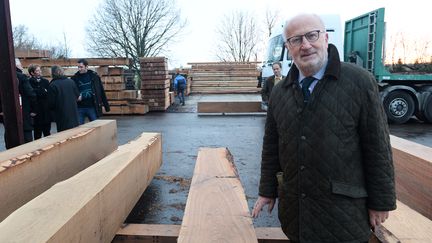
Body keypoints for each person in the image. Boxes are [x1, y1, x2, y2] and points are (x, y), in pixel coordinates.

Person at [252, 14, 396, 243]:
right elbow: (271, 146)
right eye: (296, 40)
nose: (306, 45)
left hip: (344, 214)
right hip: (296, 213)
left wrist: (381, 202)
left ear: (326, 38)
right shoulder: (280, 92)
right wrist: (267, 190)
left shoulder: (359, 82)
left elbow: (377, 146)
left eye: (312, 35)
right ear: (288, 47)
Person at [71, 59, 110, 124]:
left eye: (81, 67)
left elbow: (101, 91)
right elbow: (71, 92)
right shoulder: (74, 79)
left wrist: (106, 106)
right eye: (78, 67)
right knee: (78, 129)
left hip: (92, 107)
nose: (79, 69)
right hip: (79, 108)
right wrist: (76, 97)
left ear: (86, 67)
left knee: (96, 126)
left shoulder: (94, 77)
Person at [48, 66, 80, 132]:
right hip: (74, 114)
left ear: (53, 73)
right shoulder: (71, 82)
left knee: (63, 136)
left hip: (61, 115)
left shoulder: (53, 85)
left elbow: (51, 103)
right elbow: (78, 97)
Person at [16, 58, 37, 143]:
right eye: (20, 65)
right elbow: (31, 94)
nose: (22, 67)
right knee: (27, 135)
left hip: (9, 114)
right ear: (16, 65)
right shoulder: (22, 77)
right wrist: (34, 109)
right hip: (24, 111)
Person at [28, 64, 51, 139]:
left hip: (45, 111)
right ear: (32, 73)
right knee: (37, 134)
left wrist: (38, 92)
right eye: (37, 70)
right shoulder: (29, 82)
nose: (40, 72)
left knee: (47, 134)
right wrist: (42, 91)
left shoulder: (46, 81)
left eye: (39, 70)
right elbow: (31, 95)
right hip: (36, 112)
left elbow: (48, 95)